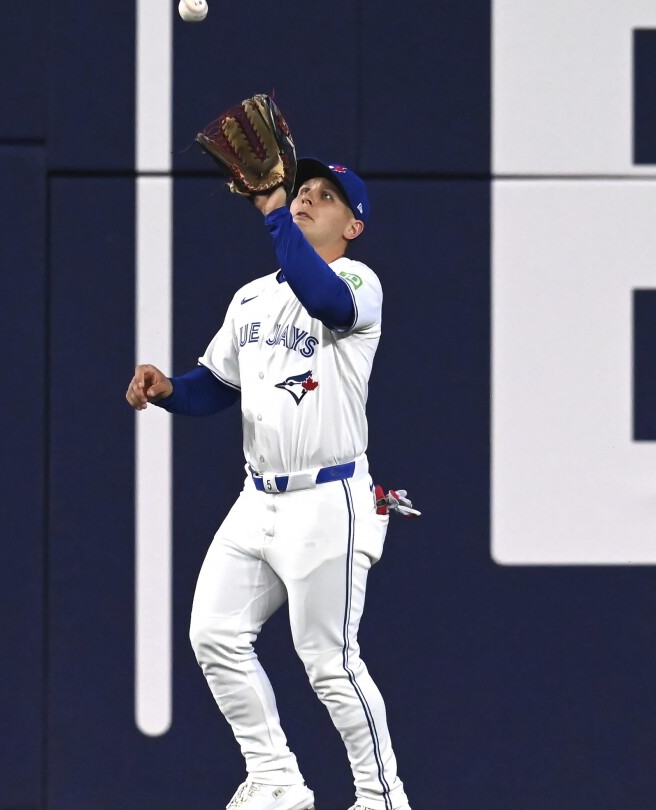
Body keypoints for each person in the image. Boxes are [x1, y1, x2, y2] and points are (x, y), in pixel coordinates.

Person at [126, 159, 411, 810]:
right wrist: (170, 390)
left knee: (329, 662)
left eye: (326, 197)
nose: (309, 199)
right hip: (258, 499)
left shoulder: (358, 282)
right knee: (214, 634)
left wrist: (276, 210)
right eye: (303, 190)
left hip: (329, 496)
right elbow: (216, 387)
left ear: (354, 224)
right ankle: (276, 779)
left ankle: (383, 798)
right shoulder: (251, 298)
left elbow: (327, 302)